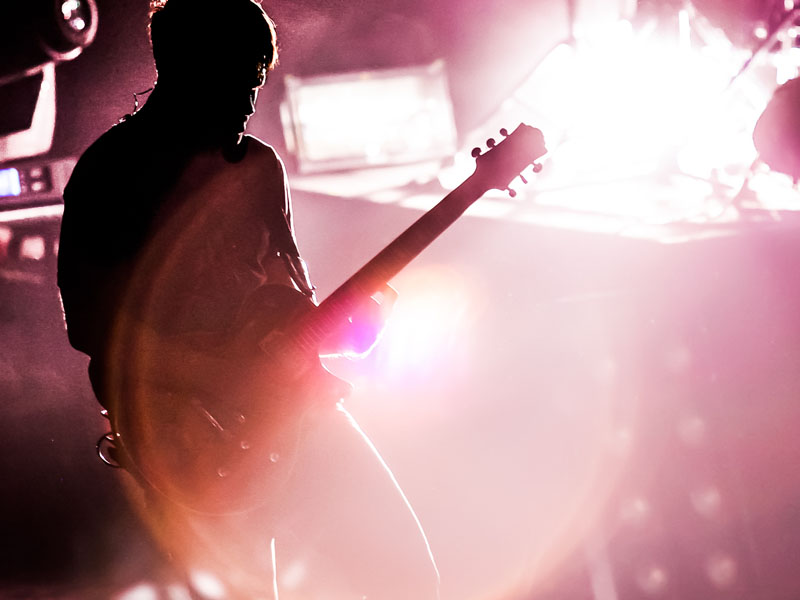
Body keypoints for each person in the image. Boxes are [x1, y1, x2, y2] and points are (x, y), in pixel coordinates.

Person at [57, 0, 439, 597]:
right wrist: (220, 376)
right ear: (183, 67)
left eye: (258, 76)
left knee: (409, 576)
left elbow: (291, 300)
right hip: (191, 432)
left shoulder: (258, 168)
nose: (251, 95)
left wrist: (352, 326)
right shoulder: (113, 171)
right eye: (237, 75)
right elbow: (92, 329)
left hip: (289, 408)